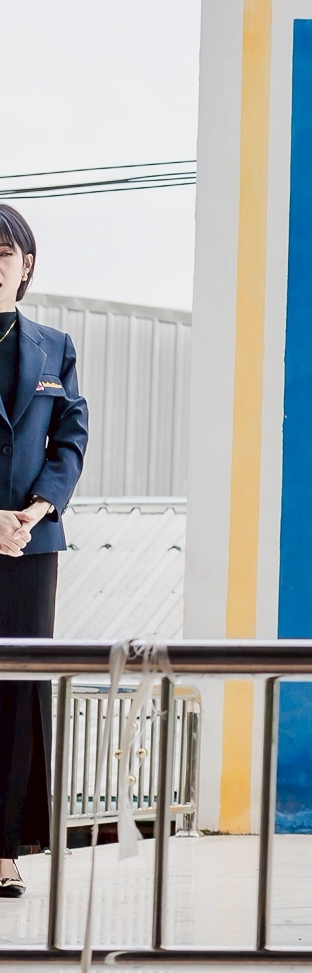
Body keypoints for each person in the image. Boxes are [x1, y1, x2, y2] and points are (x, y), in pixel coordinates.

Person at [0, 205, 87, 899]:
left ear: (25, 265)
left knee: (19, 690)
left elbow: (70, 439)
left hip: (31, 546)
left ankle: (4, 850)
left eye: (3, 255)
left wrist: (35, 509)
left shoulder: (54, 346)